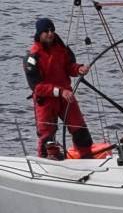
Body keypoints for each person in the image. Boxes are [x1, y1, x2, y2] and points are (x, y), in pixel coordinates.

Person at [23, 17, 95, 158]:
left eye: (52, 30)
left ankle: (87, 158)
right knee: (47, 138)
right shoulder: (32, 57)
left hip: (66, 96)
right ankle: (46, 162)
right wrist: (60, 91)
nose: (50, 34)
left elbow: (69, 66)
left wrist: (78, 69)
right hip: (46, 101)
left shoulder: (61, 48)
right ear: (39, 34)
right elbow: (37, 87)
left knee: (80, 130)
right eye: (46, 31)